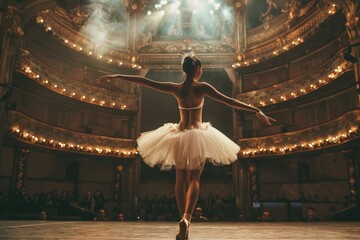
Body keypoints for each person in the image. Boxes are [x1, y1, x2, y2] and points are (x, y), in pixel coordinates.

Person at [97, 53, 275, 240]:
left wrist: (117, 76)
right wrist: (255, 109)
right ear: (198, 69)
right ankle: (187, 218)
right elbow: (229, 101)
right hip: (198, 134)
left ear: (185, 70)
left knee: (180, 179)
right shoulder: (202, 87)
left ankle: (183, 221)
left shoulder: (176, 88)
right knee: (194, 179)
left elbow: (144, 81)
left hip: (179, 136)